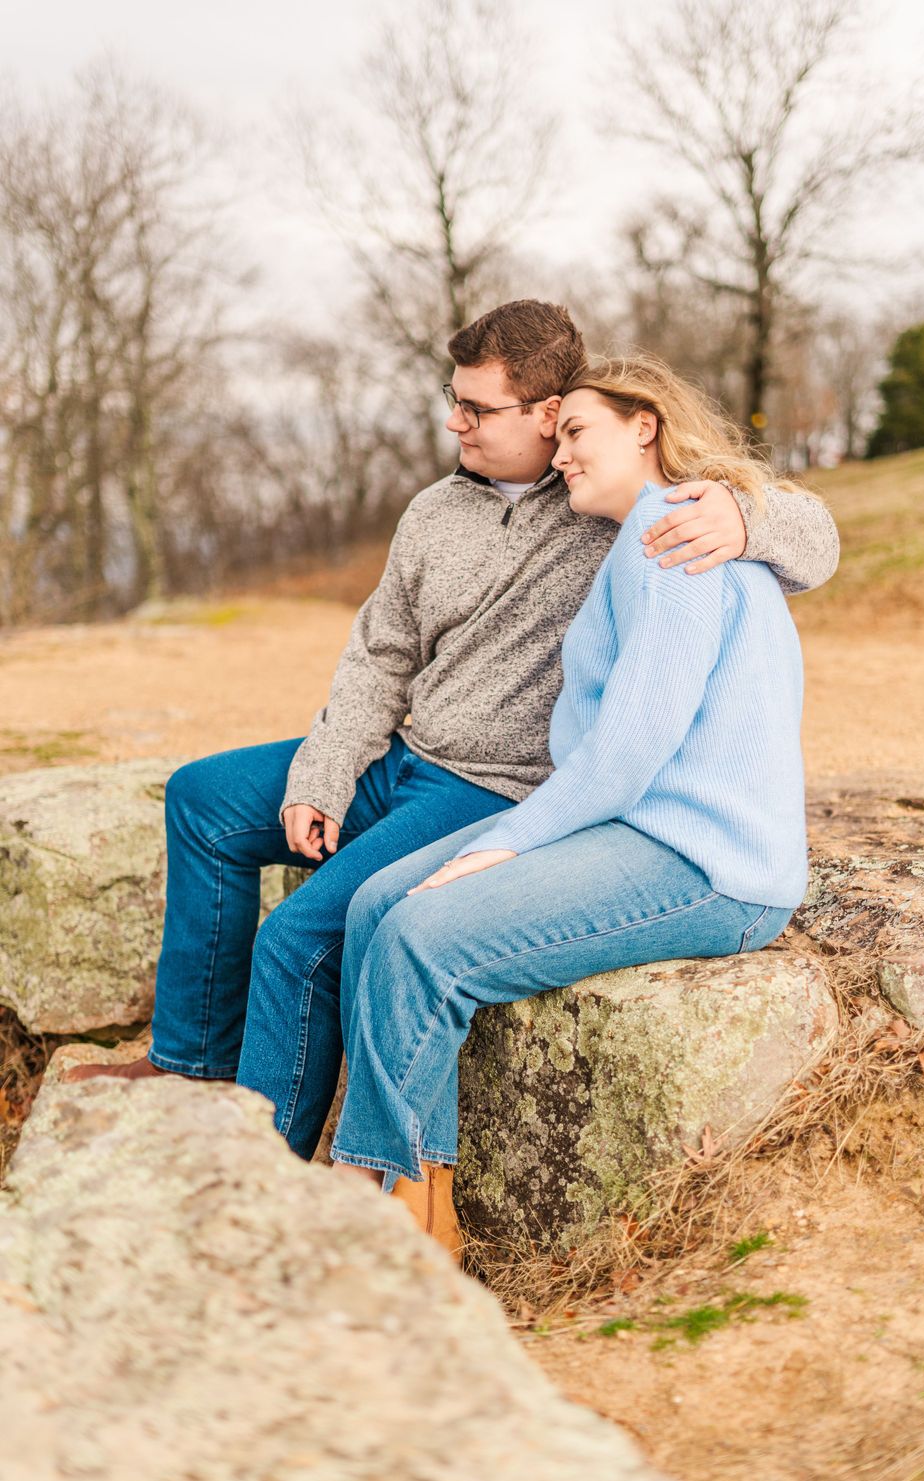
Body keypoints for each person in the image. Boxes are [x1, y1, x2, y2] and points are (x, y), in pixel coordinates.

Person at [67, 304, 838, 1168]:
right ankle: (193, 1065)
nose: (453, 421)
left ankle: (262, 1171)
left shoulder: (608, 502)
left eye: (477, 409)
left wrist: (744, 517)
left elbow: (808, 528)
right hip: (405, 758)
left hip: (492, 788)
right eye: (453, 399)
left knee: (298, 939)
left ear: (551, 415)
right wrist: (323, 773)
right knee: (201, 800)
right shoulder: (435, 510)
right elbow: (380, 654)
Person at [327, 354, 812, 1260]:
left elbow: (631, 748)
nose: (559, 457)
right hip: (633, 827)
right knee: (376, 903)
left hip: (708, 863)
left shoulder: (672, 535)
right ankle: (419, 1194)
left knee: (421, 936)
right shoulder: (658, 533)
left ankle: (380, 1216)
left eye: (578, 433)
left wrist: (510, 842)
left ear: (646, 426)